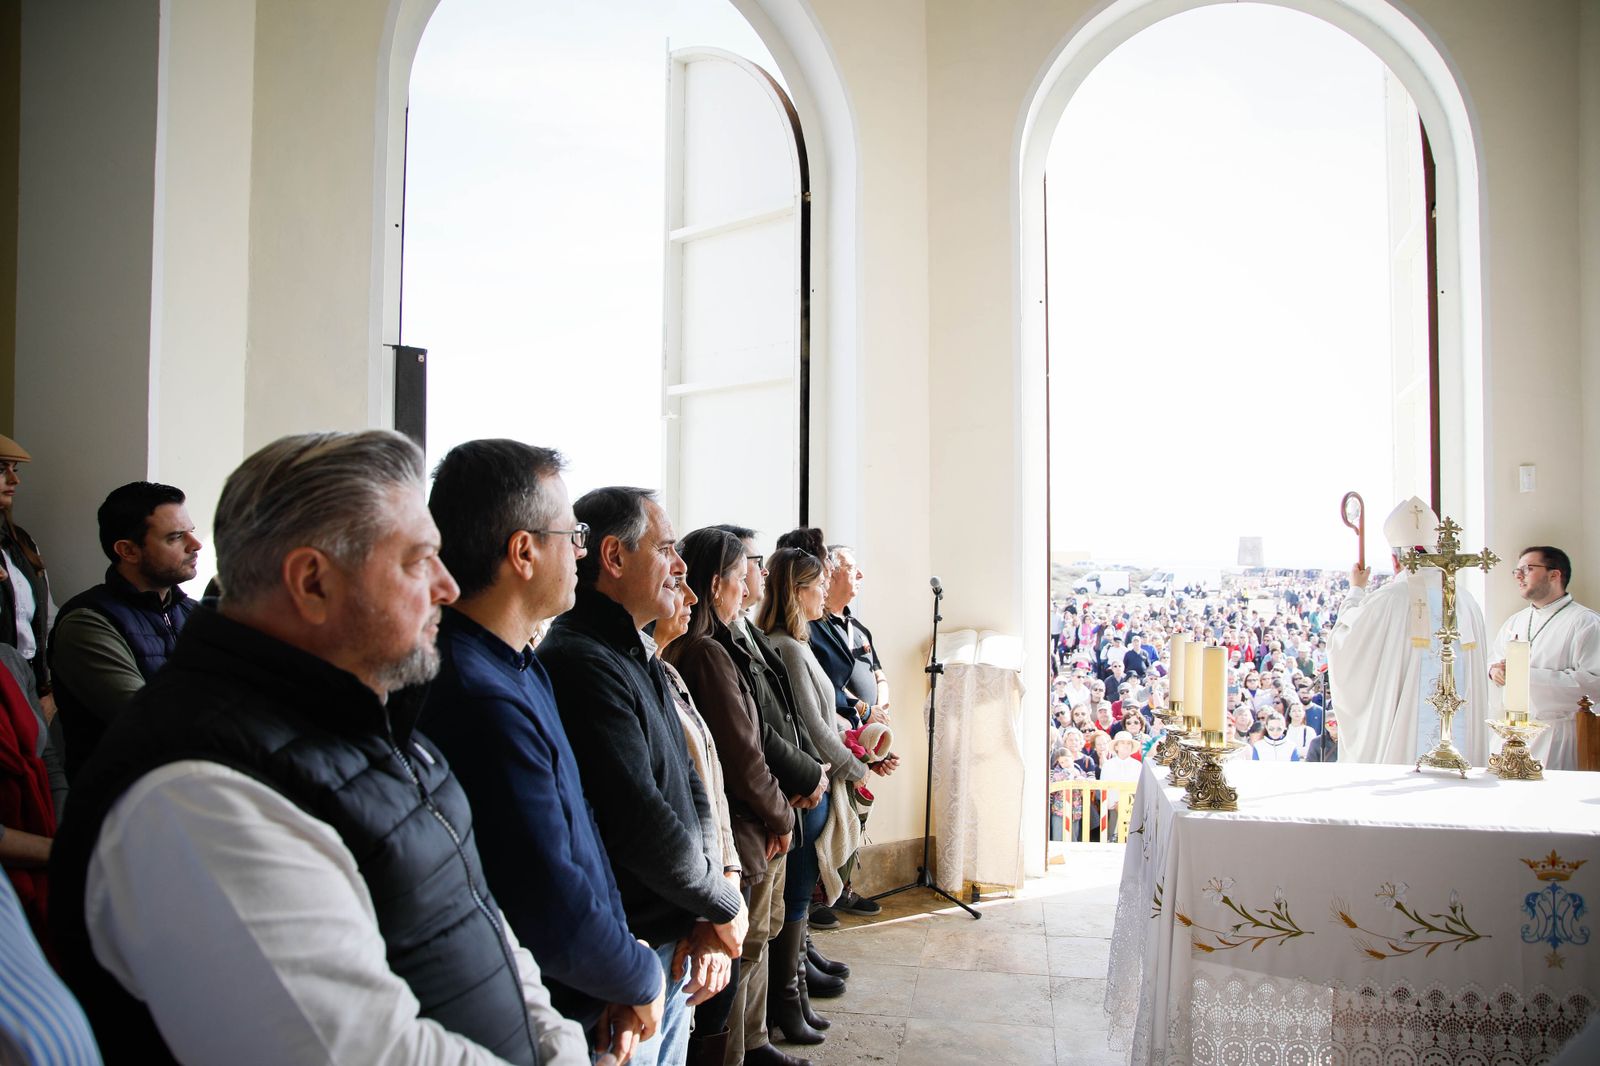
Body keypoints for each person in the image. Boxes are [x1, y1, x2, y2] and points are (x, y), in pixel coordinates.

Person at [47, 430, 587, 1064]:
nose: (446, 586)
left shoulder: (372, 719)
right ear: (313, 582)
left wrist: (559, 1045)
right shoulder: (197, 794)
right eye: (418, 561)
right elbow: (359, 1051)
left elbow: (480, 918)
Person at [418, 440, 664, 1063]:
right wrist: (638, 977)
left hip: (590, 995)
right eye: (572, 535)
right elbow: (546, 900)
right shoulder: (477, 694)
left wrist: (620, 969)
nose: (581, 550)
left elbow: (582, 834)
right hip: (542, 1017)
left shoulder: (518, 667)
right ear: (524, 552)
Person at [537, 487, 746, 1066]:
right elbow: (638, 818)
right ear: (613, 556)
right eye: (666, 548)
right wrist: (721, 902)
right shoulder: (581, 659)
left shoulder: (634, 652)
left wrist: (708, 906)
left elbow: (692, 785)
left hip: (674, 933)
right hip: (632, 950)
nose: (680, 566)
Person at [663, 528, 796, 1066]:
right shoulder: (705, 653)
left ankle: (750, 1045)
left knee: (744, 957)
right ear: (716, 584)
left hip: (733, 836)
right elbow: (740, 756)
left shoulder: (704, 647)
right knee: (732, 967)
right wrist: (782, 815)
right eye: (741, 577)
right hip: (736, 836)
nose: (748, 587)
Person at [711, 524, 830, 1065]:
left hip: (777, 800)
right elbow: (752, 739)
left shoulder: (743, 633)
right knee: (750, 939)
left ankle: (758, 1034)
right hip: (758, 812)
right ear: (719, 581)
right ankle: (744, 1046)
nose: (757, 574)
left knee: (767, 928)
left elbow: (778, 722)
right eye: (749, 565)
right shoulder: (712, 648)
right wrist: (795, 793)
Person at [758, 548, 865, 1044]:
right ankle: (788, 999)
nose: (825, 591)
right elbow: (811, 727)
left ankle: (795, 991)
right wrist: (855, 767)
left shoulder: (796, 643)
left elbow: (826, 718)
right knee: (796, 898)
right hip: (805, 788)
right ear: (797, 591)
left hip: (814, 783)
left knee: (799, 897)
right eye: (818, 584)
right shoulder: (787, 647)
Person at [48, 482, 201, 780]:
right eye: (175, 537)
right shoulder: (88, 621)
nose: (195, 544)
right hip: (120, 796)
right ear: (128, 550)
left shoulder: (194, 614)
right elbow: (149, 719)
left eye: (191, 531)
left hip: (190, 787)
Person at [1325, 497, 1490, 765]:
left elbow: (1344, 646)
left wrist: (1356, 590)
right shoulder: (1467, 602)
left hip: (1403, 752)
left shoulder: (1389, 599)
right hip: (1462, 747)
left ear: (1395, 560)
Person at [1487, 546, 1600, 770]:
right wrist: (1494, 671)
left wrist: (1524, 676)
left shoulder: (1585, 622)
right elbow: (1494, 661)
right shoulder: (1515, 621)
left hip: (1558, 735)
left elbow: (1593, 683)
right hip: (1511, 733)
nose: (1518, 576)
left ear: (1554, 575)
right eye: (1517, 571)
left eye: (1527, 569)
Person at [0, 436, 53, 703]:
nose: (15, 480)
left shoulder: (21, 541)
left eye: (15, 469)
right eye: (2, 470)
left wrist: (49, 686)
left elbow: (46, 615)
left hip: (30, 679)